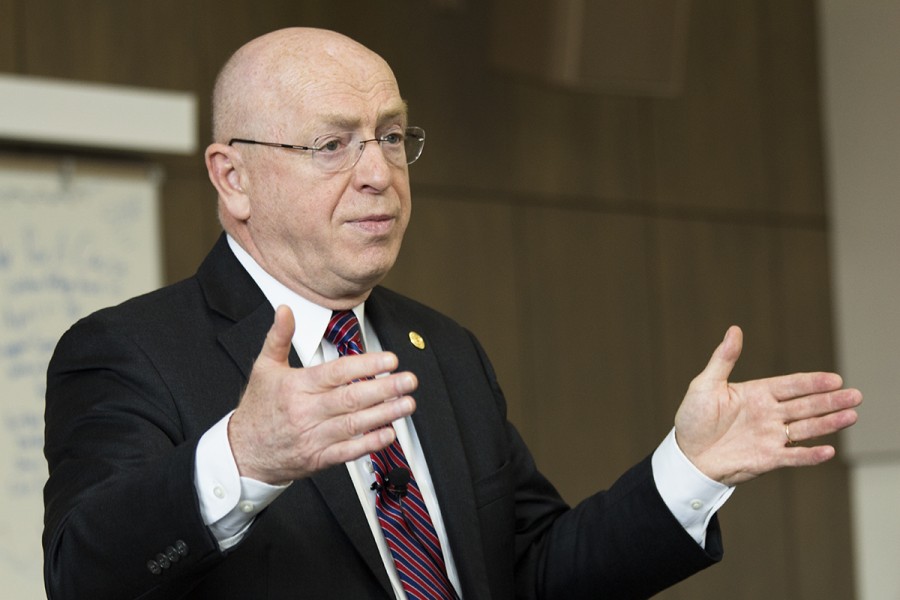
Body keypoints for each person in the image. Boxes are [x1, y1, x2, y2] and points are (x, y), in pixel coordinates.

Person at [42, 27, 861, 600]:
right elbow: (85, 576)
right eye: (333, 145)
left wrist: (688, 470)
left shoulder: (442, 351)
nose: (378, 173)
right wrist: (244, 456)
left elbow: (536, 574)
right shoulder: (128, 350)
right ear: (234, 178)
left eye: (392, 136)